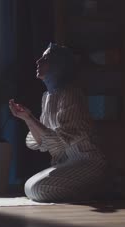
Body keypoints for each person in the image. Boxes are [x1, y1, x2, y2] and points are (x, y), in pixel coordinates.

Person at [9, 43, 107, 203]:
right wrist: (27, 118)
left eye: (46, 58)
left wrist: (30, 118)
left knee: (37, 189)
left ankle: (98, 188)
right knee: (28, 186)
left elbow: (58, 142)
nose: (38, 61)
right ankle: (92, 191)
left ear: (59, 65)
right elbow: (41, 141)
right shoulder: (47, 97)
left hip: (88, 163)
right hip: (67, 163)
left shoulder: (70, 94)